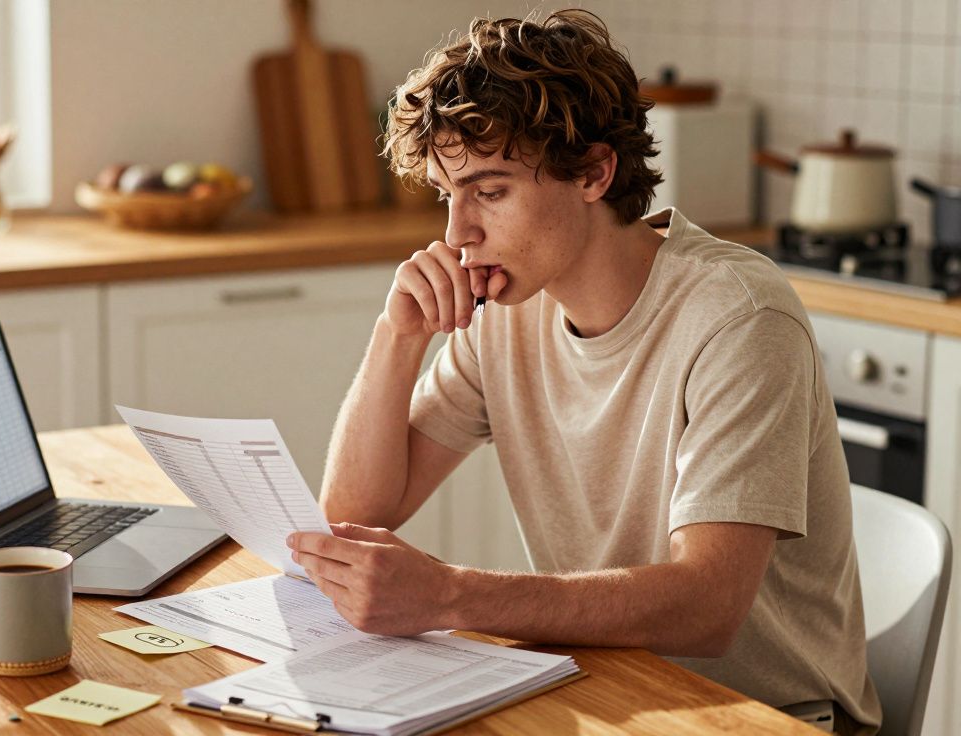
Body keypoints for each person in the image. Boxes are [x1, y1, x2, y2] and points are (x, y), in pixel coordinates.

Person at [284, 9, 881, 735]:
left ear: (594, 172)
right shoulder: (506, 307)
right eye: (449, 195)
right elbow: (357, 515)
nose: (456, 234)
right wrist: (397, 337)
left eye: (491, 191)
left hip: (764, 717)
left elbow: (706, 608)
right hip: (609, 685)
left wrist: (450, 596)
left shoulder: (739, 317)